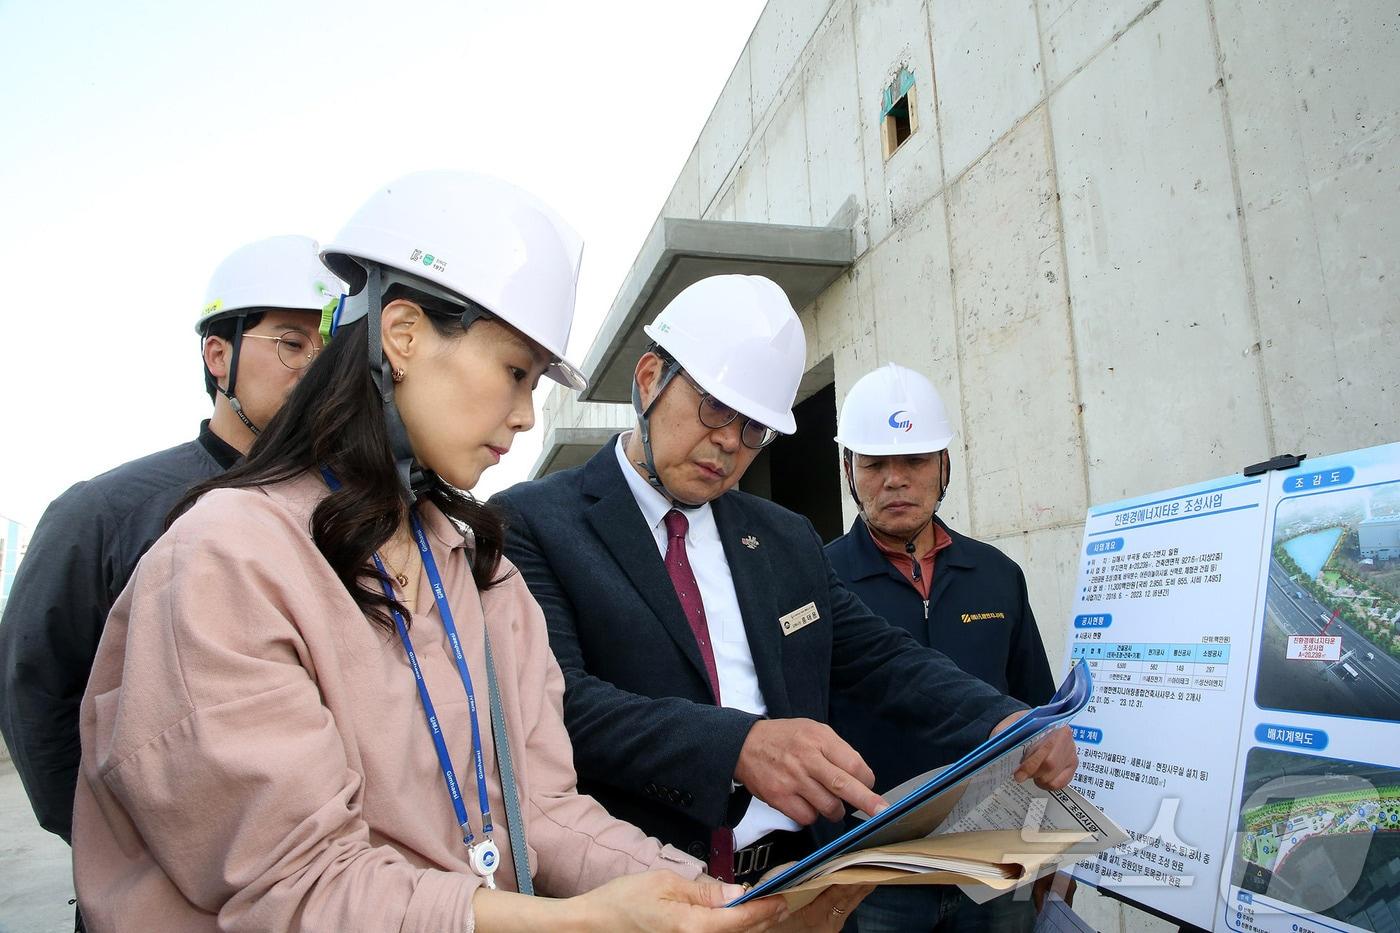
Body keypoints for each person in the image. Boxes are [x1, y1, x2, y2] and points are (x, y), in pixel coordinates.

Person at [70, 171, 854, 933]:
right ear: (403, 334)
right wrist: (576, 922)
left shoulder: (480, 572)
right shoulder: (225, 561)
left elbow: (542, 810)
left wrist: (724, 902)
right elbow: (298, 889)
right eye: (515, 372)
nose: (522, 416)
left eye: (537, 383)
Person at [492, 274, 1078, 901]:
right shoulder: (533, 524)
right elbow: (560, 705)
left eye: (753, 429)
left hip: (799, 881)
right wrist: (736, 746)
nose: (728, 442)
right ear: (648, 380)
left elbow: (881, 657)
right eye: (714, 406)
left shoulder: (784, 537)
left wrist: (1005, 719)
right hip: (642, 890)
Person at [0, 234, 339, 847]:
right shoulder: (106, 510)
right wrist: (120, 852)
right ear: (218, 354)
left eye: (328, 351)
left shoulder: (347, 512)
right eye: (292, 343)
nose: (314, 370)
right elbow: (38, 694)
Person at [825, 363, 1063, 932]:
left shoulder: (996, 574)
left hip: (996, 858)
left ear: (944, 466)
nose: (896, 480)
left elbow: (1036, 711)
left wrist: (1050, 850)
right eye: (875, 464)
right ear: (849, 472)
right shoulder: (817, 579)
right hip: (878, 874)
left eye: (915, 460)